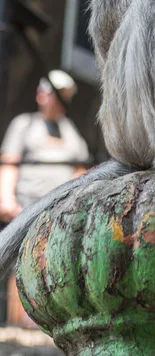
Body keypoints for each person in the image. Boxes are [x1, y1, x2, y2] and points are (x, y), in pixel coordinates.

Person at [0, 70, 90, 326]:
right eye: (48, 90)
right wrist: (5, 198)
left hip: (59, 213)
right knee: (22, 266)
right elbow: (9, 162)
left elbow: (81, 170)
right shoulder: (24, 123)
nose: (48, 96)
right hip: (26, 207)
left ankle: (43, 328)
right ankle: (20, 329)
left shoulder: (70, 131)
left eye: (55, 93)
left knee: (51, 266)